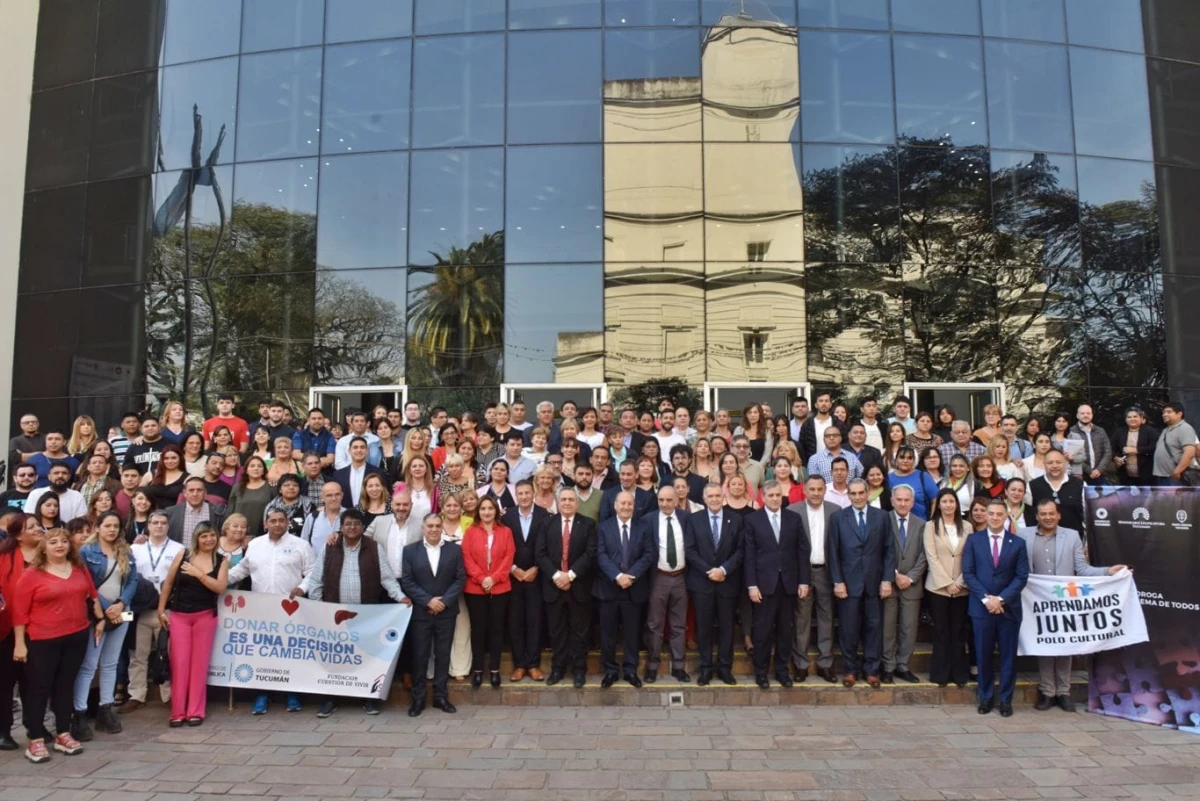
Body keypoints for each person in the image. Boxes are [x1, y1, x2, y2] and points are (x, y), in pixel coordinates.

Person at [295, 509, 409, 717]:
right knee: (333, 658)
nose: (352, 527)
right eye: (348, 524)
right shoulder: (329, 547)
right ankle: (330, 699)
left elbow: (387, 578)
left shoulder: (374, 547)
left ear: (363, 527)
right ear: (341, 526)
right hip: (334, 614)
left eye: (357, 524)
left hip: (365, 616)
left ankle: (369, 699)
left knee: (366, 658)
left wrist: (400, 597)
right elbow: (316, 579)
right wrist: (318, 607)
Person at [1016, 499, 1126, 712]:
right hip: (1036, 601)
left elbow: (1082, 570)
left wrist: (1107, 571)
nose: (1047, 517)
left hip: (1065, 600)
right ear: (1037, 516)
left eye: (1051, 514)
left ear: (1059, 515)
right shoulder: (1023, 535)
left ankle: (1064, 692)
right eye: (1043, 514)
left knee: (1065, 644)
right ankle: (1047, 691)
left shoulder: (1072, 535)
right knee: (1045, 644)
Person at [12, 527, 102, 763]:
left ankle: (63, 732)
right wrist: (20, 644)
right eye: (53, 542)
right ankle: (35, 738)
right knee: (39, 688)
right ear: (45, 547)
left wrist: (97, 609)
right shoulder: (32, 574)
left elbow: (91, 589)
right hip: (42, 640)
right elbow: (19, 613)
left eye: (64, 541)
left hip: (76, 636)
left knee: (65, 685)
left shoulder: (79, 567)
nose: (60, 545)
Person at [226, 509, 316, 714]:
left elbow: (312, 571)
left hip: (291, 609)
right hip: (261, 610)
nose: (277, 524)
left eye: (281, 521)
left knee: (291, 652)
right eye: (273, 521)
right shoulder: (255, 545)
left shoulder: (300, 545)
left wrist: (303, 587)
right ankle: (262, 695)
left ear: (288, 523)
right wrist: (220, 580)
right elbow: (242, 570)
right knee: (263, 653)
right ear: (265, 524)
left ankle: (293, 694)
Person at [73, 511, 140, 739]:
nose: (111, 530)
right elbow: (86, 583)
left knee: (110, 663)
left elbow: (133, 581)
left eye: (115, 526)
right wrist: (105, 608)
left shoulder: (126, 551)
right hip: (96, 615)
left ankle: (105, 707)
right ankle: (79, 712)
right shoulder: (86, 551)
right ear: (98, 527)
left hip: (121, 613)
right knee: (89, 665)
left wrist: (121, 604)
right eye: (107, 525)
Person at [157, 520, 229, 726]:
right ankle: (177, 711)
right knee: (179, 663)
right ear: (196, 538)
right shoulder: (183, 555)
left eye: (212, 535)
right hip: (179, 615)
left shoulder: (221, 560)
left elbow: (220, 587)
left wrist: (199, 574)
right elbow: (169, 582)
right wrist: (161, 609)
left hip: (205, 616)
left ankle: (196, 710)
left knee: (199, 665)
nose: (209, 539)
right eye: (204, 536)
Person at [962, 500, 1029, 717]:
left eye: (999, 514)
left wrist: (1000, 600)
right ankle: (986, 697)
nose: (994, 517)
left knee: (1008, 656)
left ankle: (1005, 700)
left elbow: (1021, 576)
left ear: (1006, 516)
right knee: (983, 655)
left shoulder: (1017, 543)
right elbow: (969, 573)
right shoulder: (974, 540)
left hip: (1008, 609)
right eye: (990, 513)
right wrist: (986, 600)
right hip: (981, 610)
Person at [828, 478, 894, 688]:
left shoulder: (882, 517)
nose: (857, 497)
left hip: (874, 582)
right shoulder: (838, 518)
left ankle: (871, 670)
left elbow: (888, 550)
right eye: (853, 494)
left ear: (868, 493)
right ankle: (850, 670)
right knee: (848, 629)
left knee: (874, 628)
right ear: (848, 495)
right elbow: (833, 552)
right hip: (848, 583)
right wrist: (837, 581)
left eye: (860, 493)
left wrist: (886, 579)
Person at [744, 481, 810, 689]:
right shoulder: (752, 520)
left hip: (789, 583)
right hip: (764, 585)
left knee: (785, 630)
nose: (774, 499)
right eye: (770, 495)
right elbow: (749, 555)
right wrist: (752, 585)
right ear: (762, 497)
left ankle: (782, 671)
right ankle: (761, 672)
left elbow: (802, 551)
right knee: (763, 631)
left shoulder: (794, 518)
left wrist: (804, 581)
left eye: (777, 495)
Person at [399, 513, 466, 717]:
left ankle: (440, 697)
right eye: (430, 526)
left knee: (443, 655)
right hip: (422, 611)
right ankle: (418, 699)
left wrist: (443, 601)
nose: (434, 529)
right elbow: (408, 581)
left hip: (446, 611)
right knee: (420, 655)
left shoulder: (454, 550)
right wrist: (428, 600)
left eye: (437, 526)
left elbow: (460, 578)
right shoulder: (410, 551)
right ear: (423, 528)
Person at [535, 487, 597, 688]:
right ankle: (558, 669)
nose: (568, 503)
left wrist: (569, 575)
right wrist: (556, 576)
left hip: (578, 586)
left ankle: (579, 670)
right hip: (554, 587)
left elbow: (590, 553)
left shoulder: (588, 524)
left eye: (571, 499)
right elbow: (540, 553)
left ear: (577, 503)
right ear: (557, 502)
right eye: (564, 499)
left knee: (579, 632)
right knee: (557, 631)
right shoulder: (547, 523)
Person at [123, 511, 183, 714]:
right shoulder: (135, 548)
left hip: (165, 609)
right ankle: (136, 695)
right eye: (155, 522)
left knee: (166, 654)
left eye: (163, 523)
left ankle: (169, 695)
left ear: (168, 526)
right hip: (141, 610)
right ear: (148, 526)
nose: (159, 526)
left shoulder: (178, 549)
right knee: (137, 654)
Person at [593, 490, 655, 688]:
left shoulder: (643, 527)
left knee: (632, 633)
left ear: (634, 506)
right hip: (609, 589)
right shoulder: (603, 527)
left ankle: (630, 670)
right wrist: (618, 576)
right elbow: (601, 555)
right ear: (615, 506)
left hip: (634, 589)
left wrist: (631, 576)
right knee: (608, 634)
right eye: (622, 503)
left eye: (630, 504)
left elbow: (648, 555)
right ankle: (610, 670)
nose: (626, 507)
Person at [787, 475, 838, 683]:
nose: (816, 493)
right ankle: (800, 664)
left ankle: (826, 664)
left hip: (826, 572)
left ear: (824, 491)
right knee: (802, 620)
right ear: (805, 491)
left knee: (827, 619)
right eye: (812, 489)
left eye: (819, 489)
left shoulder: (835, 511)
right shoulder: (793, 511)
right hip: (803, 572)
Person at [460, 497, 514, 690]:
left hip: (500, 587)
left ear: (496, 511)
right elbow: (466, 558)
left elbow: (508, 557)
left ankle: (494, 670)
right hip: (476, 588)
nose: (487, 512)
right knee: (478, 629)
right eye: (483, 508)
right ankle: (477, 670)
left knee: (497, 629)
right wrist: (482, 578)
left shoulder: (506, 532)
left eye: (490, 508)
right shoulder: (471, 532)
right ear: (478, 511)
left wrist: (494, 579)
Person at [0, 514, 41, 750]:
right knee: (5, 683)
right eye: (32, 527)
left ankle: (34, 726)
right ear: (18, 535)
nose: (39, 529)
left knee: (35, 682)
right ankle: (3, 730)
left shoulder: (49, 554)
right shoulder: (4, 557)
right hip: (7, 629)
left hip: (41, 629)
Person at [502, 480, 549, 682]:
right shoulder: (508, 516)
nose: (523, 496)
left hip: (536, 576)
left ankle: (533, 664)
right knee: (515, 622)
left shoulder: (544, 515)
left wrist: (536, 568)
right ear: (516, 495)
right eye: (520, 493)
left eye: (527, 493)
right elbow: (503, 546)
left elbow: (548, 545)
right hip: (513, 577)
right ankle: (519, 664)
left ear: (533, 493)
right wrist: (513, 569)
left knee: (534, 621)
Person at [643, 486, 691, 684]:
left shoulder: (686, 518)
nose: (664, 504)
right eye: (661, 500)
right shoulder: (648, 520)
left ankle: (679, 666)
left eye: (668, 500)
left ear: (676, 500)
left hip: (681, 578)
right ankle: (652, 666)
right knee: (655, 624)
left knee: (679, 624)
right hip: (658, 578)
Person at [924, 489, 971, 688]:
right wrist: (947, 582)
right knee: (942, 631)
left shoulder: (967, 526)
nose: (949, 505)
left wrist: (959, 582)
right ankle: (940, 674)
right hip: (938, 587)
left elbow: (970, 556)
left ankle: (959, 673)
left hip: (962, 587)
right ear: (939, 504)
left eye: (952, 501)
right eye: (945, 501)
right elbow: (931, 557)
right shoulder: (931, 526)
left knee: (958, 631)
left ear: (957, 504)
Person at [881, 485, 926, 684]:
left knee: (909, 628)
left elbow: (925, 555)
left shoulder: (921, 524)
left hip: (912, 585)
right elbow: (878, 551)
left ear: (912, 502)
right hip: (889, 583)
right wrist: (895, 575)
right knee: (887, 627)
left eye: (906, 500)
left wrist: (911, 577)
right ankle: (887, 666)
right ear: (892, 500)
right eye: (898, 499)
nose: (902, 503)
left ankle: (902, 665)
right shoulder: (883, 520)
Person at [1028, 449, 1085, 532]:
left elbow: (1088, 516)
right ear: (1044, 464)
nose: (1054, 466)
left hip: (1074, 540)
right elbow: (1029, 517)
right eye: (1050, 463)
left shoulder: (1080, 485)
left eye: (1058, 462)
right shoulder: (1032, 486)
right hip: (1042, 540)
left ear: (1065, 463)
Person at [167, 477, 226, 549]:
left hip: (207, 558)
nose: (195, 494)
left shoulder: (218, 513)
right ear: (185, 493)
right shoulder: (170, 513)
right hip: (180, 557)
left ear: (205, 493)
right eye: (191, 490)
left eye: (199, 490)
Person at [333, 437, 388, 509]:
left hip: (371, 516)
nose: (359, 450)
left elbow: (386, 497)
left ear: (367, 451)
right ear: (349, 451)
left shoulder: (378, 473)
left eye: (362, 447)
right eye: (355, 447)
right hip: (345, 517)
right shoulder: (338, 475)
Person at [1110, 407, 1159, 487]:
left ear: (1141, 418)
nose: (1132, 419)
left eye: (1135, 416)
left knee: (1146, 498)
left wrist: (1136, 450)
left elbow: (1155, 447)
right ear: (1126, 420)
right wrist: (1115, 458)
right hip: (1126, 475)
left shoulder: (1150, 431)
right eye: (1129, 417)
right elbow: (1110, 448)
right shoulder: (1120, 432)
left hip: (1147, 475)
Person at [1153, 402, 1199, 486]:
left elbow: (1189, 453)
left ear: (1179, 414)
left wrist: (1177, 471)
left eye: (1169, 412)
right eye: (1163, 412)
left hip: (1177, 477)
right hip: (1165, 476)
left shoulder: (1184, 428)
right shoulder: (1166, 430)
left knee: (1179, 499)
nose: (1164, 414)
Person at [888, 446, 938, 519]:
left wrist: (932, 522)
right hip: (894, 525)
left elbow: (936, 500)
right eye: (902, 457)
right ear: (896, 460)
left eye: (910, 458)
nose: (905, 460)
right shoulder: (888, 478)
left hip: (921, 525)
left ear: (914, 461)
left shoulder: (923, 476)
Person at [799, 392, 848, 465]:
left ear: (830, 404)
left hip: (836, 464)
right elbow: (802, 447)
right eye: (821, 401)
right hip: (814, 464)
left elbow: (845, 445)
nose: (824, 403)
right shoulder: (807, 425)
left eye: (826, 401)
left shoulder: (839, 424)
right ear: (816, 405)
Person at [1070, 404, 1112, 485]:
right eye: (1082, 413)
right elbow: (1073, 456)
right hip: (1080, 475)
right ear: (1077, 416)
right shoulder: (1072, 432)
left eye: (1088, 413)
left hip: (1100, 474)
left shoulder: (1100, 431)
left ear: (1092, 415)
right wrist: (1089, 471)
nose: (1085, 415)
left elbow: (1107, 452)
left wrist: (1099, 470)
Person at [142, 444, 187, 509]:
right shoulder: (150, 475)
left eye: (174, 458)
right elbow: (138, 494)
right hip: (151, 516)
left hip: (174, 516)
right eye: (166, 458)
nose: (170, 461)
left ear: (180, 458)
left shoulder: (187, 478)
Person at [292, 408, 336, 472]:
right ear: (308, 420)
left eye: (319, 418)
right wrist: (319, 461)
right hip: (303, 472)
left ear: (324, 420)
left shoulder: (330, 436)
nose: (317, 421)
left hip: (324, 473)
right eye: (314, 418)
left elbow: (330, 458)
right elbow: (296, 454)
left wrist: (306, 459)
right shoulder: (299, 434)